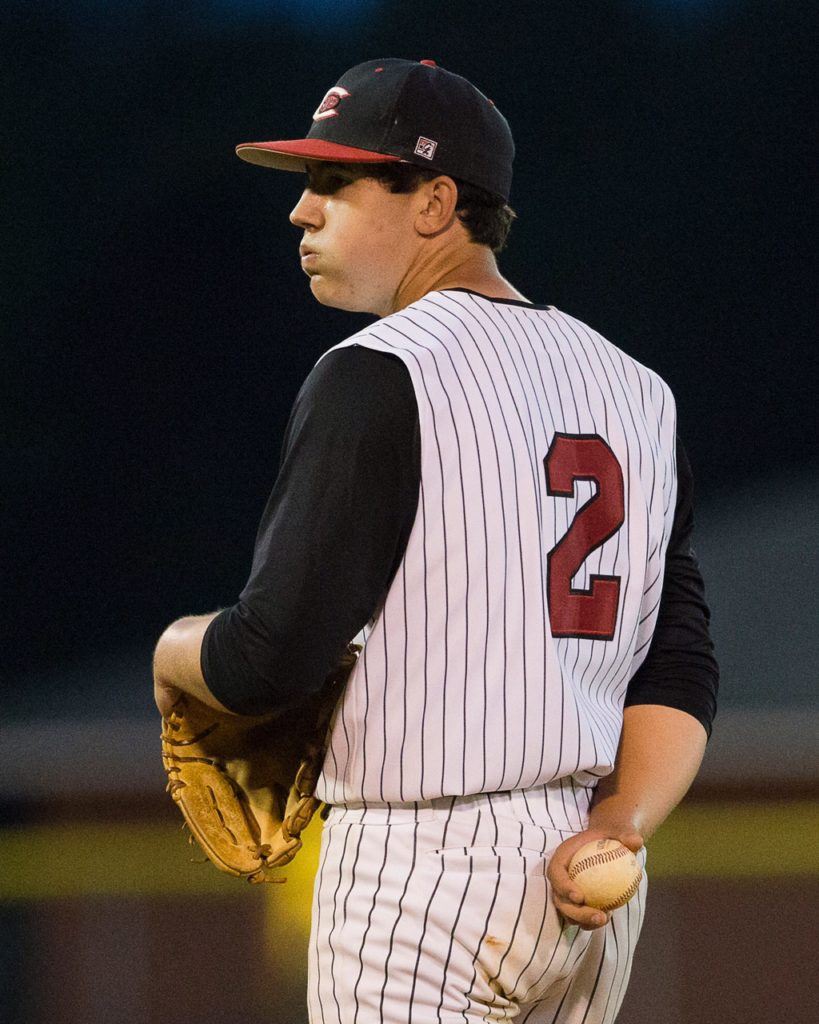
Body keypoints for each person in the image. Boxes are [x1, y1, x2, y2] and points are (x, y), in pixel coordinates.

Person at [153, 58, 718, 1023]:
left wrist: (171, 651)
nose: (302, 211)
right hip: (588, 871)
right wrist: (620, 824)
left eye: (335, 181)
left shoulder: (379, 370)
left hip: (421, 875)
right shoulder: (637, 387)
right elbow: (677, 663)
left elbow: (268, 660)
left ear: (435, 202)